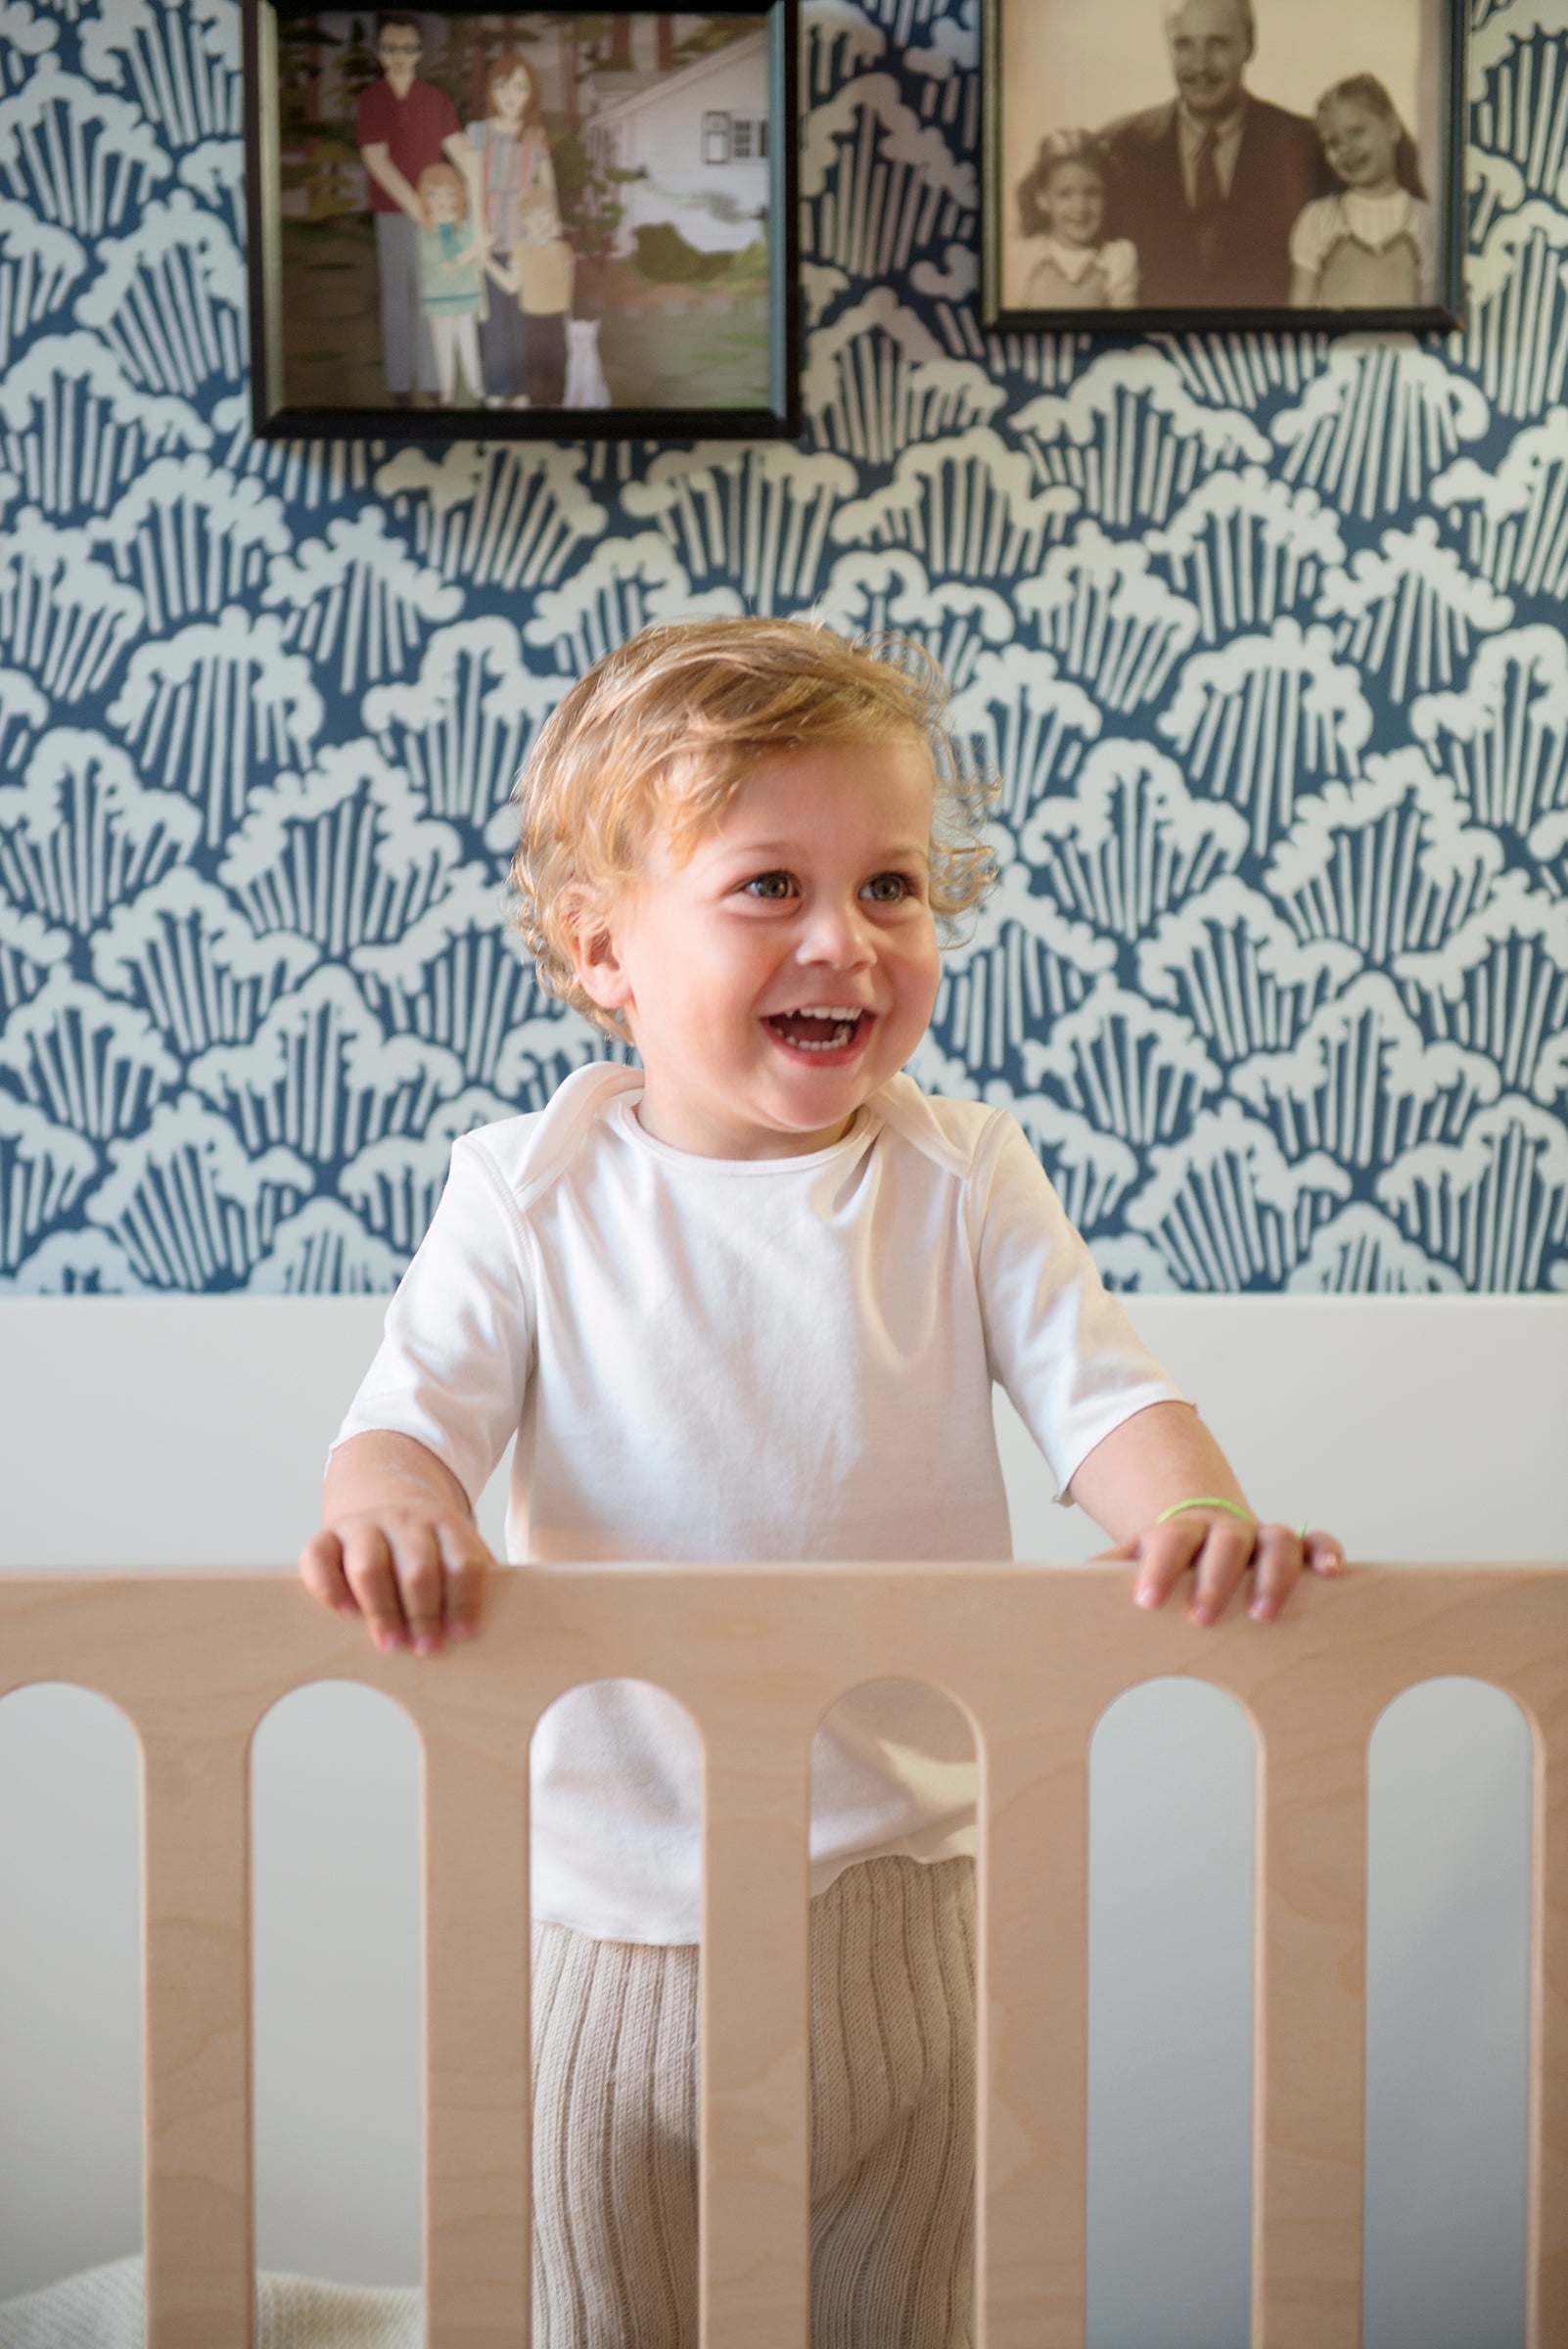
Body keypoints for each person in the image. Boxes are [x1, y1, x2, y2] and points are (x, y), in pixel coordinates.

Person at [298, 619, 1345, 2349]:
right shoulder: (529, 1189)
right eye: (769, 885)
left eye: (893, 889)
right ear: (600, 945)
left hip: (906, 1916)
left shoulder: (958, 1173)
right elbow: (407, 1422)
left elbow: (1109, 1408)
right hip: (607, 1920)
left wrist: (1192, 1517)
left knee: (897, 2319)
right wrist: (393, 1502)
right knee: (594, 2321)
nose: (844, 941)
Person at [1100, 0, 1324, 307]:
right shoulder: (1117, 148)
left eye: (1217, 44)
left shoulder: (1311, 147)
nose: (1200, 66)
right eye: (1184, 45)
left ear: (1250, 45)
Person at [446, 49, 568, 410]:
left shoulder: (534, 135)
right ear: (491, 91)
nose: (511, 96)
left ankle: (526, 390)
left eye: (520, 87)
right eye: (503, 86)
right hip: (493, 236)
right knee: (496, 316)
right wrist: (481, 239)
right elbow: (474, 186)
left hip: (529, 239)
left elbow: (548, 189)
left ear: (531, 94)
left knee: (525, 315)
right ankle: (500, 389)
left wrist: (552, 233)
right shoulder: (479, 132)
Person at [355, 13, 459, 405]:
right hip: (392, 212)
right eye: (389, 48)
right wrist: (415, 206)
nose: (398, 56)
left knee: (431, 293)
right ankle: (400, 382)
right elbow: (376, 160)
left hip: (437, 212)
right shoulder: (372, 99)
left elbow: (458, 148)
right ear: (379, 52)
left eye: (407, 48)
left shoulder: (434, 99)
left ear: (419, 52)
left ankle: (434, 379)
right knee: (397, 295)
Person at [1290, 73, 1437, 308]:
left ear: (1391, 128)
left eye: (1356, 132)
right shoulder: (1319, 219)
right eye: (1333, 143)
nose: (1346, 149)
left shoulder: (1425, 221)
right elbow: (1299, 311)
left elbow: (1431, 311)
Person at [1017, 129, 1138, 309]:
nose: (1081, 207)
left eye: (1092, 192)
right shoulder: (1026, 257)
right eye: (1065, 194)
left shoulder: (1117, 258)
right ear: (1042, 198)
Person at [415, 162, 484, 404]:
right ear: (423, 197)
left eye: (449, 194)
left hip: (464, 294)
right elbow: (439, 260)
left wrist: (470, 252)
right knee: (442, 346)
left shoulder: (465, 226)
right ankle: (446, 389)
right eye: (434, 194)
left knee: (468, 342)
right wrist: (465, 255)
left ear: (459, 196)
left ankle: (475, 386)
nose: (442, 201)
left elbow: (472, 258)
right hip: (437, 297)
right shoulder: (424, 230)